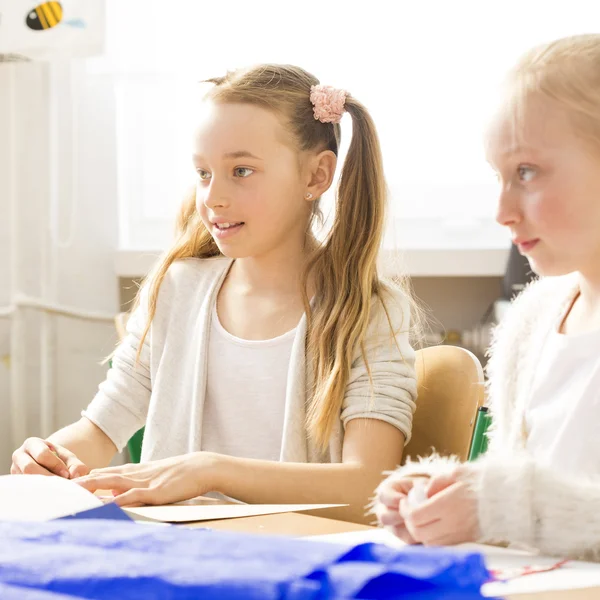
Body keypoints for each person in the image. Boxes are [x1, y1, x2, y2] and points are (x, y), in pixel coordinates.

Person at [11, 64, 417, 523]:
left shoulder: (369, 313)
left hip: (295, 569)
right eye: (203, 173)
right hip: (176, 559)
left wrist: (210, 471)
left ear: (316, 176)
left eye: (241, 170)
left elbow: (370, 486)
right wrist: (49, 457)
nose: (213, 197)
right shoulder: (176, 291)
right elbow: (99, 429)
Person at [374, 34, 600, 558]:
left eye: (526, 172)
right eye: (498, 177)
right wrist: (447, 496)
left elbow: (526, 504)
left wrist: (500, 503)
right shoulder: (534, 319)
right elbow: (528, 489)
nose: (502, 211)